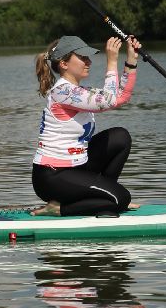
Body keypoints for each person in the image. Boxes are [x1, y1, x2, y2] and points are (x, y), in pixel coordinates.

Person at [32, 33, 141, 217]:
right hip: (52, 176)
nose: (88, 61)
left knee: (120, 137)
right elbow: (107, 101)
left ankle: (105, 196)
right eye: (82, 57)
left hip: (77, 167)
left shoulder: (79, 92)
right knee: (122, 199)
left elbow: (120, 98)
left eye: (87, 57)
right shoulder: (63, 92)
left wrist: (131, 60)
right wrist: (112, 61)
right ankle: (59, 209)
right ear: (64, 64)